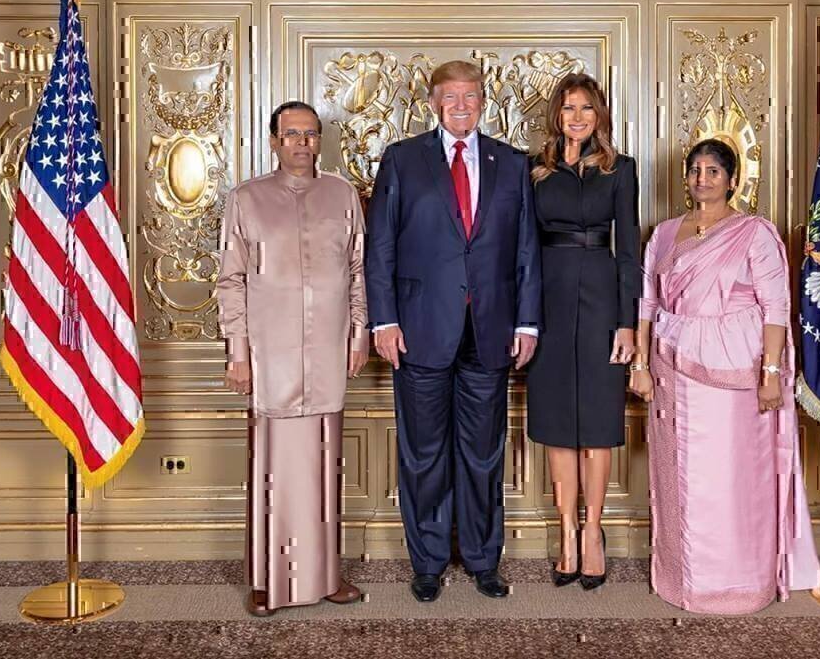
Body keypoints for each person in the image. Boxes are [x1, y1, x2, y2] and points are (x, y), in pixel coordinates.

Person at [365, 60, 542, 602]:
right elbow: (381, 246)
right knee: (423, 454)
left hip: (491, 330)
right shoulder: (402, 160)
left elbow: (526, 249)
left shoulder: (511, 163)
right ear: (433, 102)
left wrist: (527, 322)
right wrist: (384, 320)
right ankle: (428, 562)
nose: (460, 105)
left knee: (484, 453)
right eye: (450, 96)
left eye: (469, 96)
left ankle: (485, 560)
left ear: (483, 102)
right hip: (419, 329)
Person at [629, 138, 820, 614]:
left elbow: (775, 307)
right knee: (680, 477)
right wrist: (640, 363)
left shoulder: (754, 233)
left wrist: (771, 372)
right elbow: (647, 303)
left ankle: (739, 583)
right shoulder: (664, 234)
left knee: (731, 477)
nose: (702, 178)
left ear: (733, 180)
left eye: (713, 171)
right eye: (695, 169)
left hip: (737, 375)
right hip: (671, 367)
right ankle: (682, 581)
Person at [217, 101, 369, 617]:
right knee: (275, 469)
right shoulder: (247, 199)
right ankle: (268, 578)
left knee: (324, 466)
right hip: (270, 352)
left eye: (310, 134)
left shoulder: (342, 195)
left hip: (328, 349)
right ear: (274, 141)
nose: (301, 143)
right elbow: (230, 280)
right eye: (291, 134)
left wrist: (358, 337)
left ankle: (325, 575)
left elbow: (358, 271)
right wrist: (238, 352)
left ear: (319, 140)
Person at [525, 73, 640, 590]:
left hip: (600, 300)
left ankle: (594, 531)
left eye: (587, 108)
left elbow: (629, 251)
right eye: (569, 108)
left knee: (596, 423)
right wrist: (523, 319)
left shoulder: (620, 170)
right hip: (547, 301)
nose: (577, 117)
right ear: (557, 114)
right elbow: (522, 249)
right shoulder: (534, 171)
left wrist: (627, 322)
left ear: (600, 116)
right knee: (556, 425)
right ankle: (566, 532)